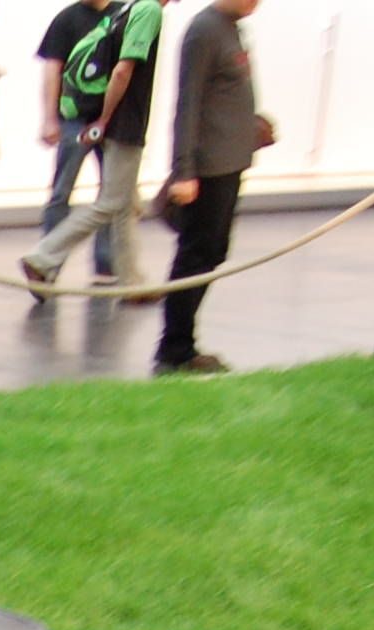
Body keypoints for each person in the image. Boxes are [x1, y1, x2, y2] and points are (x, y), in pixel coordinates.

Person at [157, 0, 273, 376]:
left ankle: (182, 345)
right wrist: (183, 171)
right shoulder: (204, 30)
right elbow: (187, 104)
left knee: (212, 253)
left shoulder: (231, 28)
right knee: (195, 256)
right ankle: (176, 349)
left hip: (229, 164)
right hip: (207, 169)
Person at [22, 0, 167, 295]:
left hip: (111, 121)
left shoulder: (125, 9)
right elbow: (122, 71)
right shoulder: (148, 10)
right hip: (123, 123)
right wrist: (104, 118)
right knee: (110, 202)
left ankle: (130, 281)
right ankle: (43, 256)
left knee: (124, 204)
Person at [30, 0, 115, 284]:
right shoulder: (66, 19)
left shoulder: (122, 15)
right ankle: (47, 263)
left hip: (111, 121)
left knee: (111, 192)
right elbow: (51, 70)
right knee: (61, 193)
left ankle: (106, 264)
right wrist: (49, 118)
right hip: (74, 119)